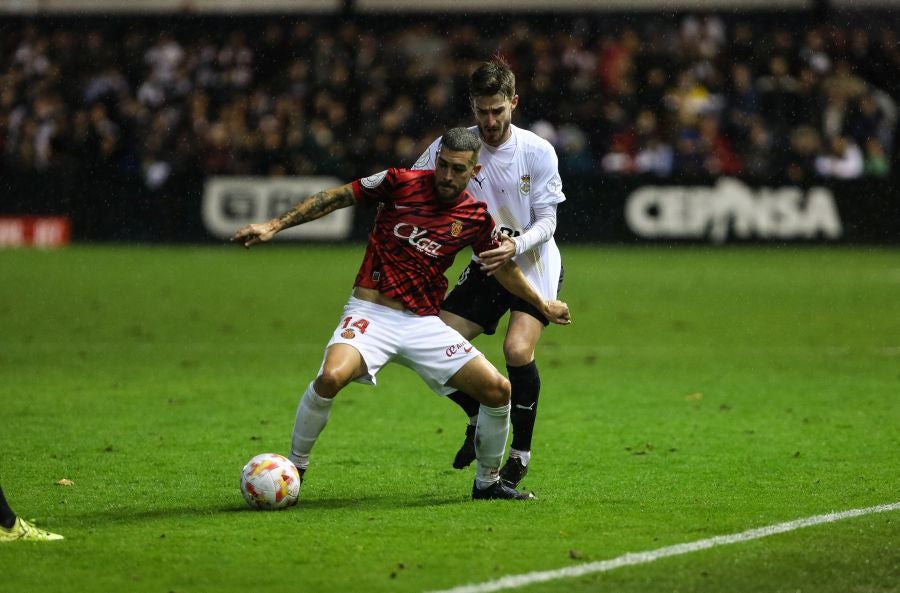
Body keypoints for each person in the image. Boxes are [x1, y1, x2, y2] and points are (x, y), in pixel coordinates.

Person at [232, 127, 571, 501]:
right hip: (371, 314)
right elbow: (336, 196)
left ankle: (487, 483)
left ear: (474, 172)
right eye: (442, 165)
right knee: (330, 377)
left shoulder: (475, 217)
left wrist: (543, 304)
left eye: (457, 170)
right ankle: (295, 468)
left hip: (422, 324)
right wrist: (273, 225)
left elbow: (505, 270)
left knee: (498, 390)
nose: (446, 175)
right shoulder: (398, 182)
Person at [412, 57, 566, 488]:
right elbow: (414, 190)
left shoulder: (537, 151)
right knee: (430, 346)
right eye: (483, 111)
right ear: (472, 107)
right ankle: (478, 413)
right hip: (485, 264)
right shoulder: (457, 150)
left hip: (532, 261)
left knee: (517, 351)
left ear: (513, 103)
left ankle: (519, 452)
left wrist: (516, 244)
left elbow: (548, 221)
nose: (491, 120)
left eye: (498, 110)